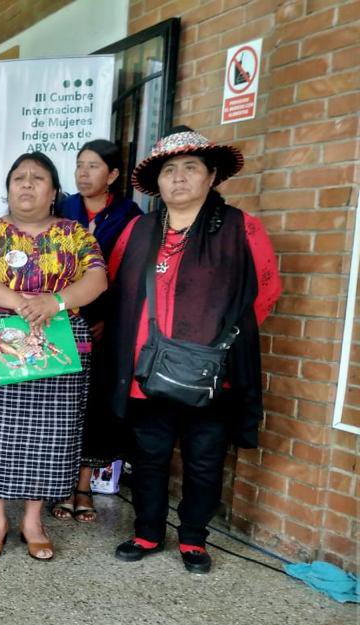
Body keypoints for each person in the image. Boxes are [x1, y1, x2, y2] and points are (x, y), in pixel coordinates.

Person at [107, 127, 281, 573]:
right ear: (158, 182)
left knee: (204, 459)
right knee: (148, 456)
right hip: (147, 371)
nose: (179, 178)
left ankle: (193, 538)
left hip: (210, 372)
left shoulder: (241, 227)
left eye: (190, 168)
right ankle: (147, 531)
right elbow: (117, 288)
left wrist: (218, 341)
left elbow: (264, 292)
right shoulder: (138, 230)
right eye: (169, 170)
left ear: (211, 176)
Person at [0, 152, 107, 561]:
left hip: (57, 341)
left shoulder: (74, 233)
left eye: (38, 178)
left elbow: (97, 278)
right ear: (8, 188)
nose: (27, 184)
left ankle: (33, 520)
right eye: (19, 177)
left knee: (49, 433)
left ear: (53, 192)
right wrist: (21, 303)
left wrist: (55, 301)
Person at [53, 139, 143, 522]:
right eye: (80, 165)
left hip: (105, 324)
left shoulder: (129, 215)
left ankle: (83, 486)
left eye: (93, 166)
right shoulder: (62, 209)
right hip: (59, 320)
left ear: (113, 174)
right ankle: (58, 484)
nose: (84, 173)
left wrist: (111, 319)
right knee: (60, 404)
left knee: (93, 406)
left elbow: (131, 276)